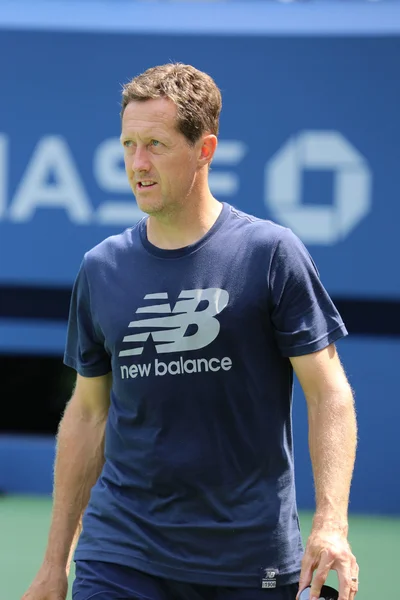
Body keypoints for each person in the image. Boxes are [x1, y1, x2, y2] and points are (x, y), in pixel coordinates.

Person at [22, 63, 358, 600]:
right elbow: (88, 414)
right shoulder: (101, 268)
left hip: (250, 557)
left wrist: (331, 522)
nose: (138, 164)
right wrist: (52, 564)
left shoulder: (270, 254)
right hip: (121, 552)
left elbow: (329, 392)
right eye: (129, 144)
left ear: (204, 150)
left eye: (155, 144)